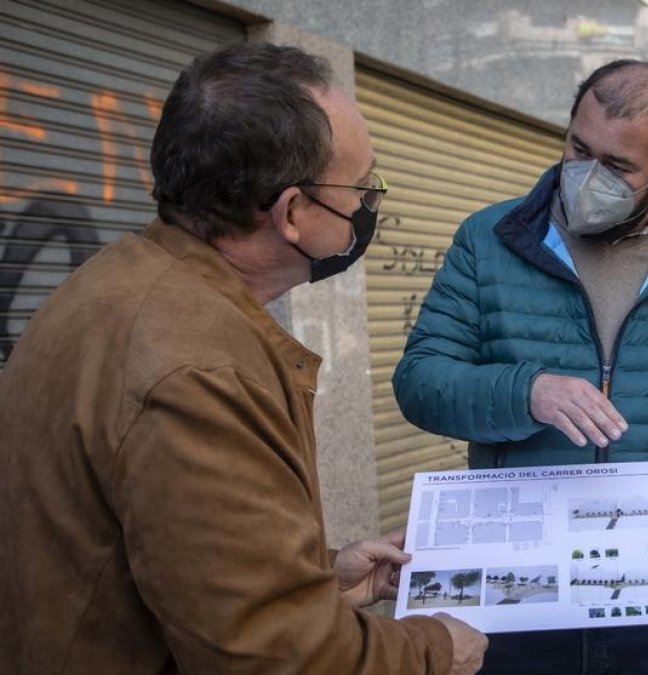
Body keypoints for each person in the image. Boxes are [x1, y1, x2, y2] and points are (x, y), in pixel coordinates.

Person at [0, 43, 486, 675]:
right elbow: (277, 658)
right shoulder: (201, 369)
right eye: (364, 186)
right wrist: (436, 648)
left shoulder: (111, 283)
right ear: (292, 212)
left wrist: (315, 579)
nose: (372, 203)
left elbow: (170, 554)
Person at [394, 60, 648, 674]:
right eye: (579, 148)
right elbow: (420, 381)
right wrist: (527, 392)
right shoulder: (488, 238)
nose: (586, 176)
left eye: (618, 167)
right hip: (515, 590)